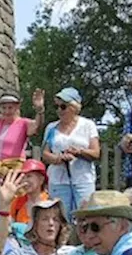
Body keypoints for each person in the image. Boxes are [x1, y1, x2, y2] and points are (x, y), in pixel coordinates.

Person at [41, 87, 100, 215]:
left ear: (74, 107)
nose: (59, 110)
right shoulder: (51, 127)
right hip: (58, 180)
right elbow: (45, 154)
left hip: (83, 179)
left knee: (85, 215)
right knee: (60, 216)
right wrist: (58, 159)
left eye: (63, 107)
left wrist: (79, 152)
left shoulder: (88, 125)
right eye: (56, 107)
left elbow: (96, 153)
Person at [7, 160, 50, 231]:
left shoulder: (50, 202)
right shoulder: (17, 203)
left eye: (29, 176)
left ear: (41, 180)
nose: (25, 181)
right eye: (23, 177)